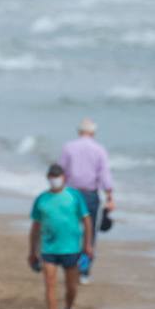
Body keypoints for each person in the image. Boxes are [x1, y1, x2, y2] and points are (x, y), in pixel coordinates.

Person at [28, 164, 93, 309]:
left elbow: (86, 220)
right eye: (51, 176)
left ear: (64, 177)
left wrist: (87, 245)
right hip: (48, 248)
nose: (54, 179)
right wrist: (32, 251)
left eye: (57, 176)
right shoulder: (41, 199)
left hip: (71, 248)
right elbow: (35, 226)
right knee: (50, 283)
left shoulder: (74, 196)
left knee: (71, 287)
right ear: (47, 177)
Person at [59, 118, 115, 285]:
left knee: (71, 231)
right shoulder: (99, 150)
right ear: (93, 132)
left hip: (70, 195)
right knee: (90, 235)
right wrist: (110, 196)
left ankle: (70, 266)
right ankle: (83, 271)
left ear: (79, 131)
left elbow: (61, 171)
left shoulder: (68, 147)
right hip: (90, 195)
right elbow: (104, 175)